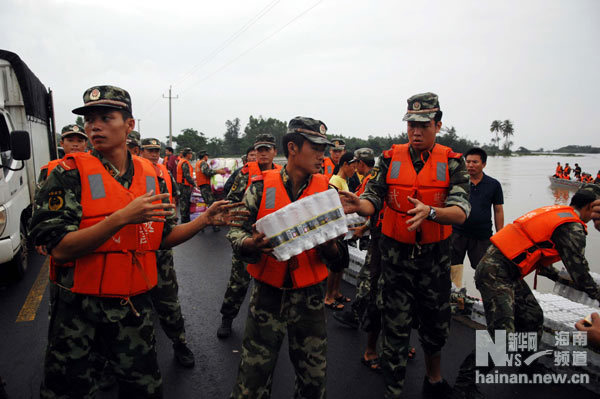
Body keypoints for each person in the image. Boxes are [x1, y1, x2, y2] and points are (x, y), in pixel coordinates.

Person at [30, 85, 247, 398]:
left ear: (129, 125)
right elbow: (60, 247)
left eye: (106, 117)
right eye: (90, 119)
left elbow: (161, 238)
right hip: (79, 314)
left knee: (144, 389)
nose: (94, 126)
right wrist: (121, 217)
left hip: (133, 311)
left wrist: (203, 220)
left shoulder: (152, 176)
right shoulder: (67, 175)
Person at [340, 92, 470, 398]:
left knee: (435, 326)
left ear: (438, 125)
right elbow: (374, 197)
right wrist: (361, 204)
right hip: (395, 257)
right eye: (411, 123)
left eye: (424, 124)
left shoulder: (453, 162)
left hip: (434, 260)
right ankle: (393, 389)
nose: (416, 131)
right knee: (395, 326)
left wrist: (432, 212)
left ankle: (434, 380)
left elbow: (462, 211)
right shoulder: (388, 158)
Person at [452, 183, 600, 399]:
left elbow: (537, 250)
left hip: (506, 271)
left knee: (532, 316)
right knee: (502, 335)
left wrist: (556, 276)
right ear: (589, 207)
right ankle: (464, 384)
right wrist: (596, 293)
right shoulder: (573, 227)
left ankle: (526, 364)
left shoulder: (557, 213)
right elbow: (580, 273)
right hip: (496, 272)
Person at [228, 116, 339, 399]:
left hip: (310, 299)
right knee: (252, 382)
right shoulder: (260, 187)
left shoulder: (327, 193)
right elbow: (234, 232)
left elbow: (339, 258)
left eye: (323, 148)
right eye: (315, 147)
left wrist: (329, 246)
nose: (321, 155)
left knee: (313, 382)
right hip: (267, 296)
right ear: (292, 147)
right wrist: (251, 244)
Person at [217, 134, 281, 339]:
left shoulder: (282, 174)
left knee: (271, 283)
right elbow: (231, 199)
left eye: (267, 149)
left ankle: (267, 325)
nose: (263, 153)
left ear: (274, 152)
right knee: (239, 281)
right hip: (247, 235)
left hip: (271, 236)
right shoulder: (243, 174)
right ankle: (227, 318)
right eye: (259, 149)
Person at [140, 138, 194, 367]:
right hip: (132, 252)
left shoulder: (161, 175)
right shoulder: (124, 178)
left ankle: (179, 343)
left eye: (156, 151)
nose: (153, 154)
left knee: (168, 302)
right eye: (148, 151)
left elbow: (172, 202)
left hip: (159, 250)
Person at [450, 148, 504, 288]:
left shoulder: (493, 184)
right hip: (457, 233)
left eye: (475, 162)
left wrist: (501, 235)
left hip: (482, 236)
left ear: (484, 164)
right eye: (467, 162)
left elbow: (498, 210)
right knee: (452, 268)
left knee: (485, 271)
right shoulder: (458, 182)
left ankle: (488, 301)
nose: (470, 165)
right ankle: (454, 298)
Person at [324, 152, 356, 311]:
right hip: (335, 230)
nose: (355, 169)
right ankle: (329, 296)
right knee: (335, 265)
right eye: (353, 166)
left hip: (343, 229)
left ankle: (336, 292)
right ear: (345, 164)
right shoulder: (335, 181)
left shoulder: (343, 180)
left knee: (342, 263)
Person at [195, 150, 227, 231]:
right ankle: (214, 225)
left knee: (209, 204)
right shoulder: (203, 163)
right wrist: (218, 171)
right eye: (207, 156)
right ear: (204, 156)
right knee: (212, 205)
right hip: (205, 187)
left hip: (202, 186)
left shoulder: (198, 163)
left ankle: (204, 224)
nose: (207, 157)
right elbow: (207, 172)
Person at [176, 148, 196, 223]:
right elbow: (187, 176)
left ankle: (185, 219)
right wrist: (194, 184)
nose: (191, 155)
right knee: (185, 202)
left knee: (184, 201)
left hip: (182, 184)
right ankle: (184, 220)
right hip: (184, 186)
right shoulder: (185, 163)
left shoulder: (181, 161)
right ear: (187, 154)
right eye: (190, 154)